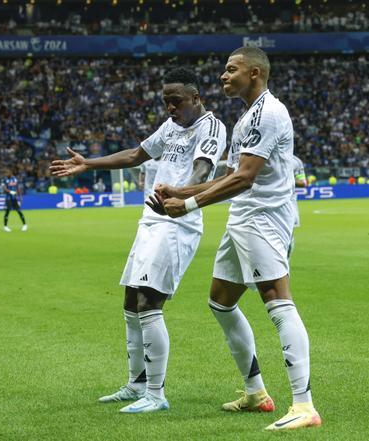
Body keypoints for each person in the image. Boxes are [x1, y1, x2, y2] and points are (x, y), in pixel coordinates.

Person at [151, 47, 321, 431]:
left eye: (231, 70)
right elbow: (231, 177)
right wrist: (179, 191)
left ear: (255, 73)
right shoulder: (247, 115)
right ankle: (257, 393)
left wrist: (189, 204)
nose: (222, 77)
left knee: (278, 300)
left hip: (263, 220)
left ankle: (304, 405)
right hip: (242, 218)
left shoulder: (267, 113)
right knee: (221, 301)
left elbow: (244, 178)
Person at [49, 67, 226, 414]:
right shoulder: (171, 127)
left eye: (176, 101)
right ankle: (136, 384)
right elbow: (136, 155)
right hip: (151, 220)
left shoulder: (211, 127)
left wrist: (179, 195)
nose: (170, 108)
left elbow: (203, 170)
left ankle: (156, 394)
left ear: (195, 98)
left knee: (149, 303)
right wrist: (88, 164)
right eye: (166, 102)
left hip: (177, 223)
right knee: (131, 301)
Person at [288, 155, 307, 259]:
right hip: (265, 203)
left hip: (289, 204)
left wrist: (286, 179)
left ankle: (285, 266)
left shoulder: (295, 161)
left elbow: (303, 182)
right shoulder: (263, 156)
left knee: (288, 238)